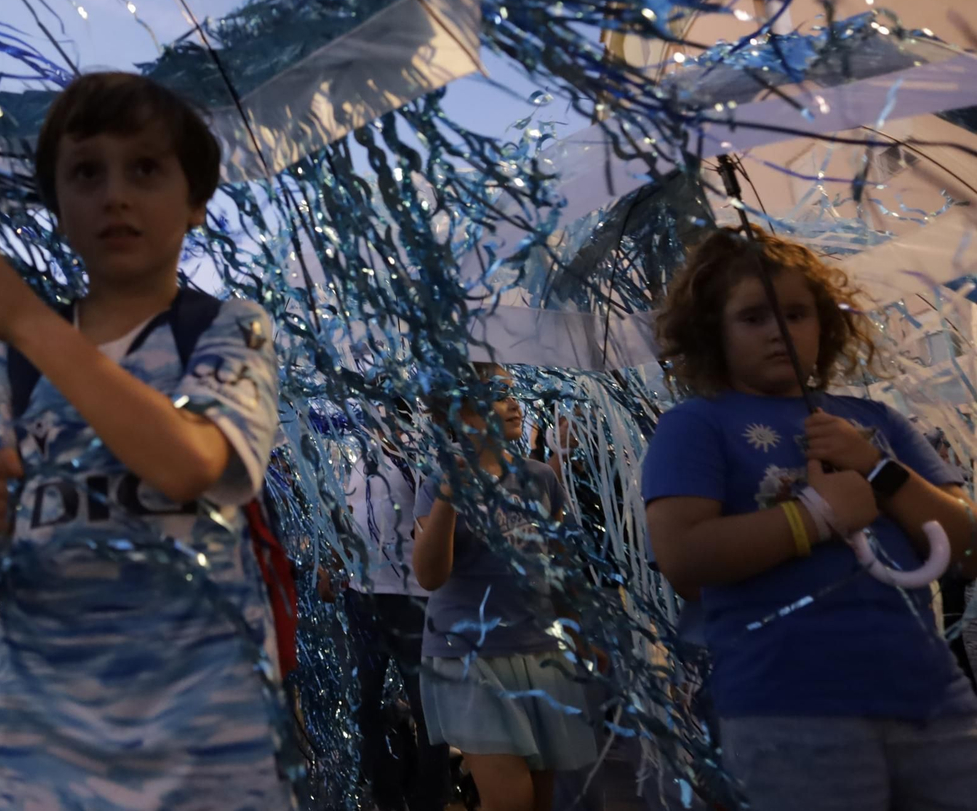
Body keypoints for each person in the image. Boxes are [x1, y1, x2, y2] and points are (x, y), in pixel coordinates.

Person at [0, 72, 289, 810]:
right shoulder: (12, 366)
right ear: (59, 207)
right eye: (86, 172)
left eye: (146, 169)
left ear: (196, 202)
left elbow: (190, 462)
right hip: (36, 756)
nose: (115, 194)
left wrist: (30, 320)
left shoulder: (229, 330)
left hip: (204, 752)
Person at [642, 228, 977, 811]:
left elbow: (965, 545)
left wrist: (876, 466)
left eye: (796, 313)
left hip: (930, 697)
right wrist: (816, 516)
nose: (779, 330)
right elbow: (685, 561)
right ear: (712, 333)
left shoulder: (875, 421)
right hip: (789, 708)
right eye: (753, 317)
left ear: (823, 324)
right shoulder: (696, 426)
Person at [412, 364, 598, 811]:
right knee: (512, 799)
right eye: (497, 394)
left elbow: (560, 565)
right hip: (468, 656)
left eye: (511, 391)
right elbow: (429, 576)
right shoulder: (439, 480)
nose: (513, 403)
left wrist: (581, 630)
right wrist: (447, 504)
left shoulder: (540, 478)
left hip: (538, 652)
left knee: (540, 797)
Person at [342, 412, 458, 811]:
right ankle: (386, 796)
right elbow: (352, 522)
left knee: (428, 707)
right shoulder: (358, 462)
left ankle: (430, 799)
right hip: (363, 597)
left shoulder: (423, 462)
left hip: (414, 600)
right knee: (365, 703)